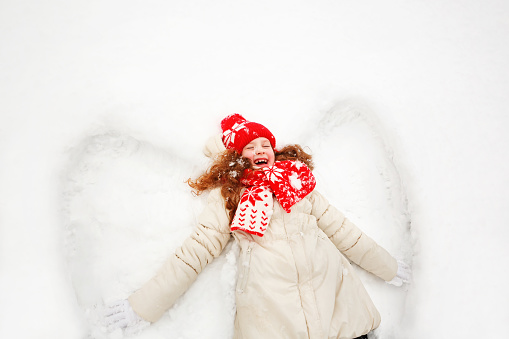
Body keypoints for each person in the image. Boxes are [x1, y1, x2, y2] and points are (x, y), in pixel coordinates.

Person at [104, 114, 411, 339]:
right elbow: (195, 252)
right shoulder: (231, 194)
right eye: (250, 146)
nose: (261, 149)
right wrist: (143, 306)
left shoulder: (297, 183)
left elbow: (344, 231)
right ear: (237, 157)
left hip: (337, 312)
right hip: (275, 317)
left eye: (266, 144)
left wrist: (386, 266)